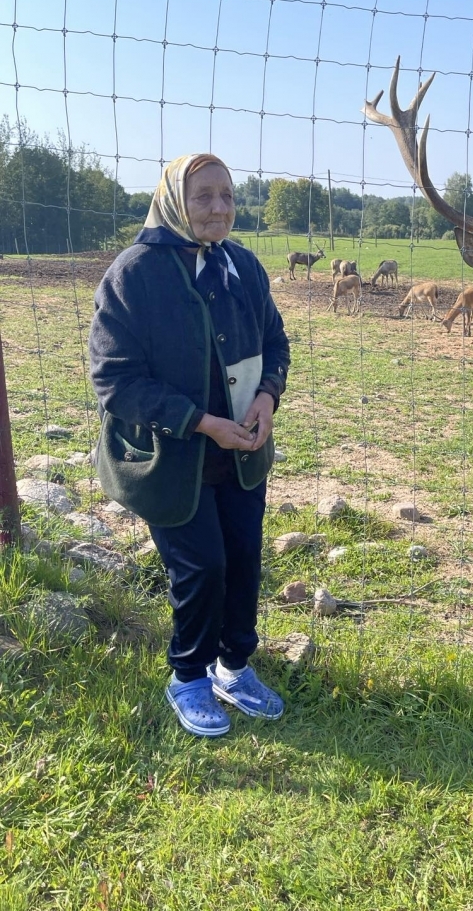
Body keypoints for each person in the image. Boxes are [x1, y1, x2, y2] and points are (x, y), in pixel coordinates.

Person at [89, 154, 290, 737]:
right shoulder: (134, 274)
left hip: (242, 453)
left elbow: (277, 344)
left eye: (227, 195)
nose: (219, 208)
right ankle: (189, 676)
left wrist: (267, 399)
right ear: (175, 199)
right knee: (202, 566)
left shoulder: (243, 268)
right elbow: (114, 380)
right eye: (203, 196)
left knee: (244, 560)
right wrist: (201, 422)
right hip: (170, 460)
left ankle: (234, 666)